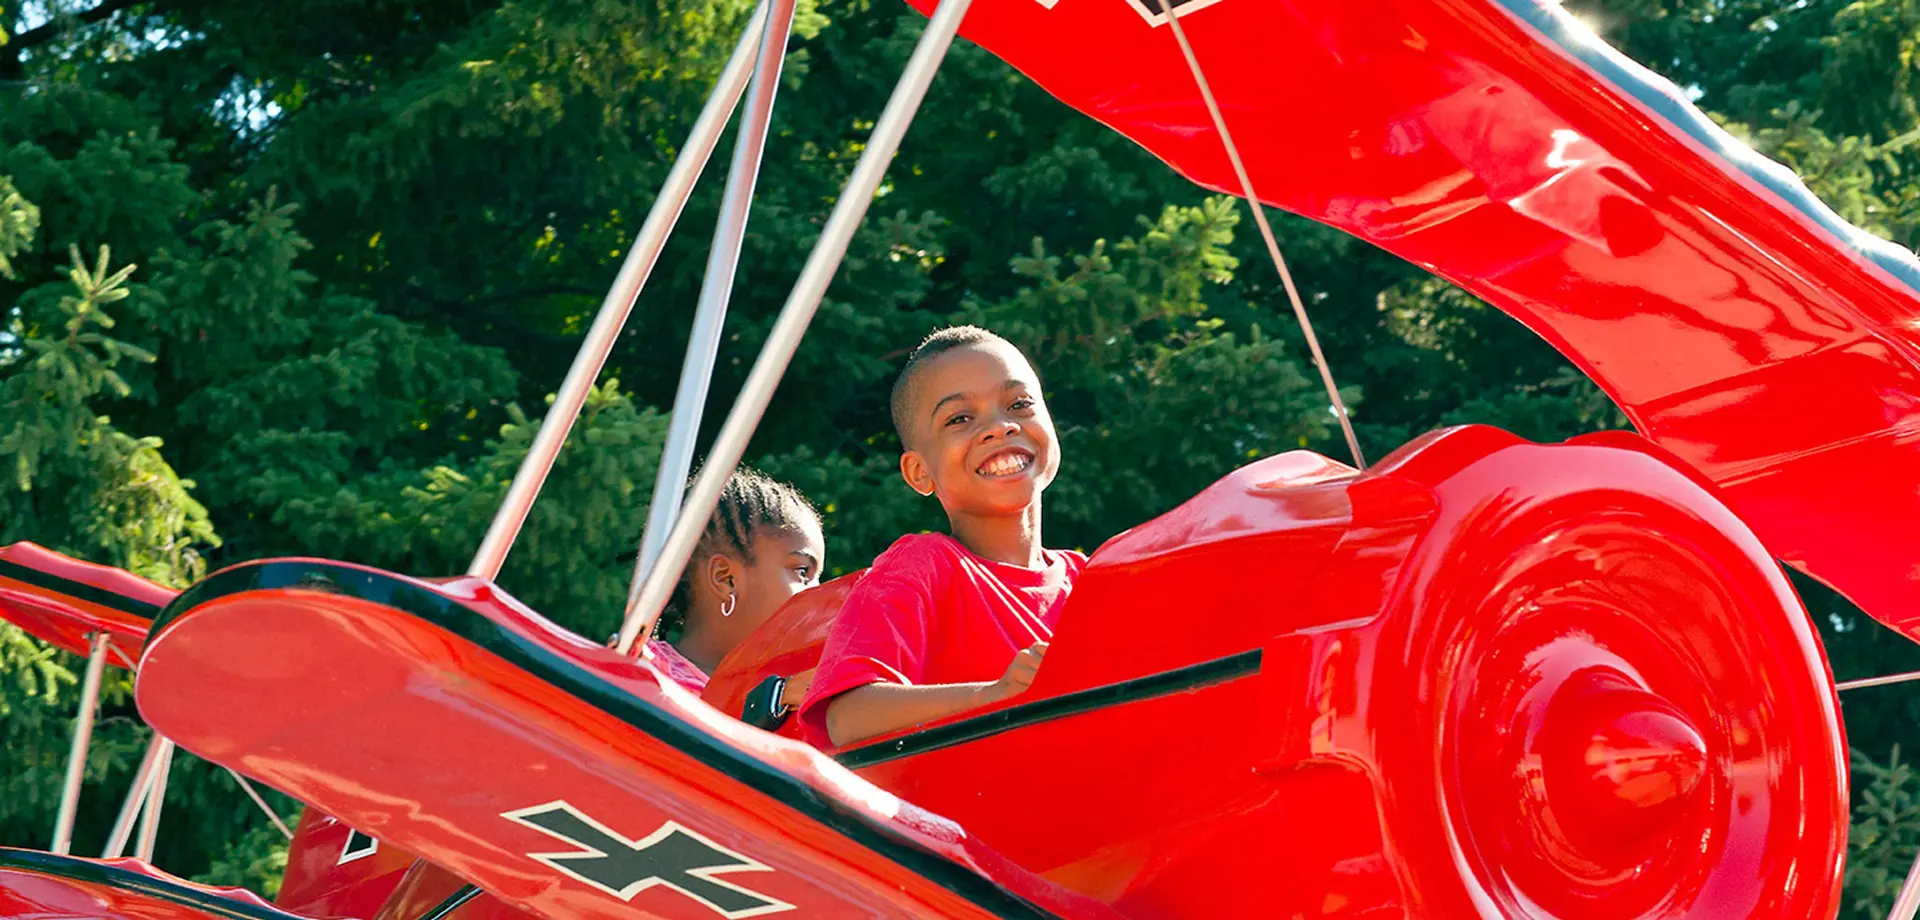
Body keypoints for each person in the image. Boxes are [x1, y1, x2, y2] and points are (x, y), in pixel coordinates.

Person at [798, 325, 1083, 748]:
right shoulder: (922, 567)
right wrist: (993, 695)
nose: (1000, 427)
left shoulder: (1092, 579)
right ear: (919, 472)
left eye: (1019, 404)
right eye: (960, 418)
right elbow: (848, 714)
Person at [644, 467, 825, 695]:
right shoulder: (643, 677)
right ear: (725, 579)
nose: (819, 592)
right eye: (802, 571)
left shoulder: (786, 696)